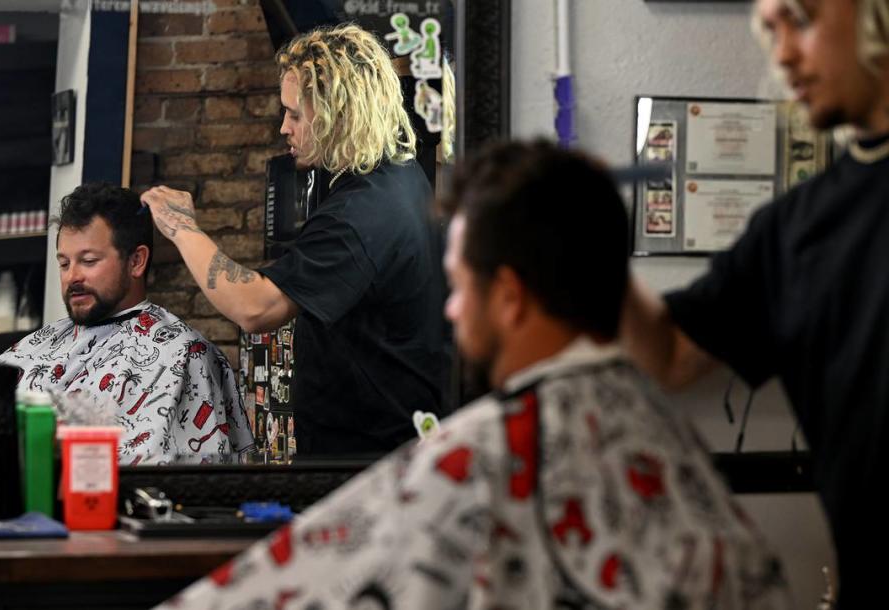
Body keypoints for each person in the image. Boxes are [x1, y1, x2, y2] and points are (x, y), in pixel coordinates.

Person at [156, 142, 791, 610]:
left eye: (458, 286)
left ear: (510, 296)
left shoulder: (477, 460)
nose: (450, 308)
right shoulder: (673, 450)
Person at [621, 0, 889, 605]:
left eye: (802, 18)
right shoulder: (798, 227)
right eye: (771, 29)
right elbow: (669, 355)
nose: (783, 53)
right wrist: (592, 247)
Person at [141, 23, 449, 454]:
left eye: (295, 114)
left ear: (339, 114)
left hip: (370, 460)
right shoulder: (399, 173)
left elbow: (255, 307)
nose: (283, 127)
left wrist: (182, 228)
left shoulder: (362, 214)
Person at [0, 183, 254, 465]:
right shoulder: (35, 347)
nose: (72, 276)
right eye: (64, 263)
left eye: (88, 260)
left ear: (136, 261)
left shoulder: (182, 356)